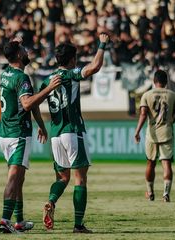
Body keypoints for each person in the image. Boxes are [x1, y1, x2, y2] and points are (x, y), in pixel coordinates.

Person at [41, 33, 110, 233]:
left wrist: (39, 124)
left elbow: (36, 101)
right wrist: (102, 43)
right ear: (72, 60)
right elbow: (95, 66)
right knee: (80, 179)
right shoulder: (71, 75)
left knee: (62, 178)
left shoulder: (47, 80)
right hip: (72, 131)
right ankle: (78, 225)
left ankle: (51, 202)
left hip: (55, 134)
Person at [0, 38, 61, 233]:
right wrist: (49, 88)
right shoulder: (21, 78)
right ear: (18, 55)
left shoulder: (6, 73)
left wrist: (41, 125)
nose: (27, 52)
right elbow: (27, 103)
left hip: (5, 133)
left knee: (19, 179)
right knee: (14, 178)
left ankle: (19, 221)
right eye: (24, 50)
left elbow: (28, 103)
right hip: (18, 134)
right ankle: (5, 220)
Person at [134, 70, 175, 202]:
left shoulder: (146, 95)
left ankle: (150, 192)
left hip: (152, 134)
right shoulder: (172, 95)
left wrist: (137, 131)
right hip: (167, 132)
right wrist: (170, 122)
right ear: (166, 82)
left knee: (150, 163)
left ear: (154, 81)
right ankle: (166, 193)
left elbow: (143, 114)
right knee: (166, 164)